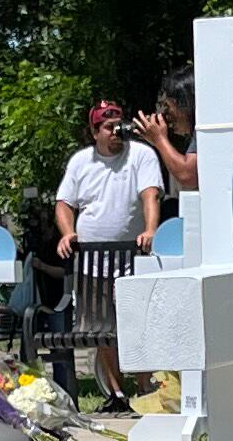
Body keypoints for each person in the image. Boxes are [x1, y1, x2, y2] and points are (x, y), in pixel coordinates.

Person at [53, 100, 163, 405]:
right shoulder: (80, 162)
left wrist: (151, 229)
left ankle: (146, 390)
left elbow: (150, 194)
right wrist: (68, 233)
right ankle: (116, 393)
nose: (115, 131)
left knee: (137, 325)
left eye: (118, 124)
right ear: (94, 132)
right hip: (91, 264)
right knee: (102, 329)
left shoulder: (141, 155)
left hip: (131, 259)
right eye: (107, 126)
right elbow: (64, 203)